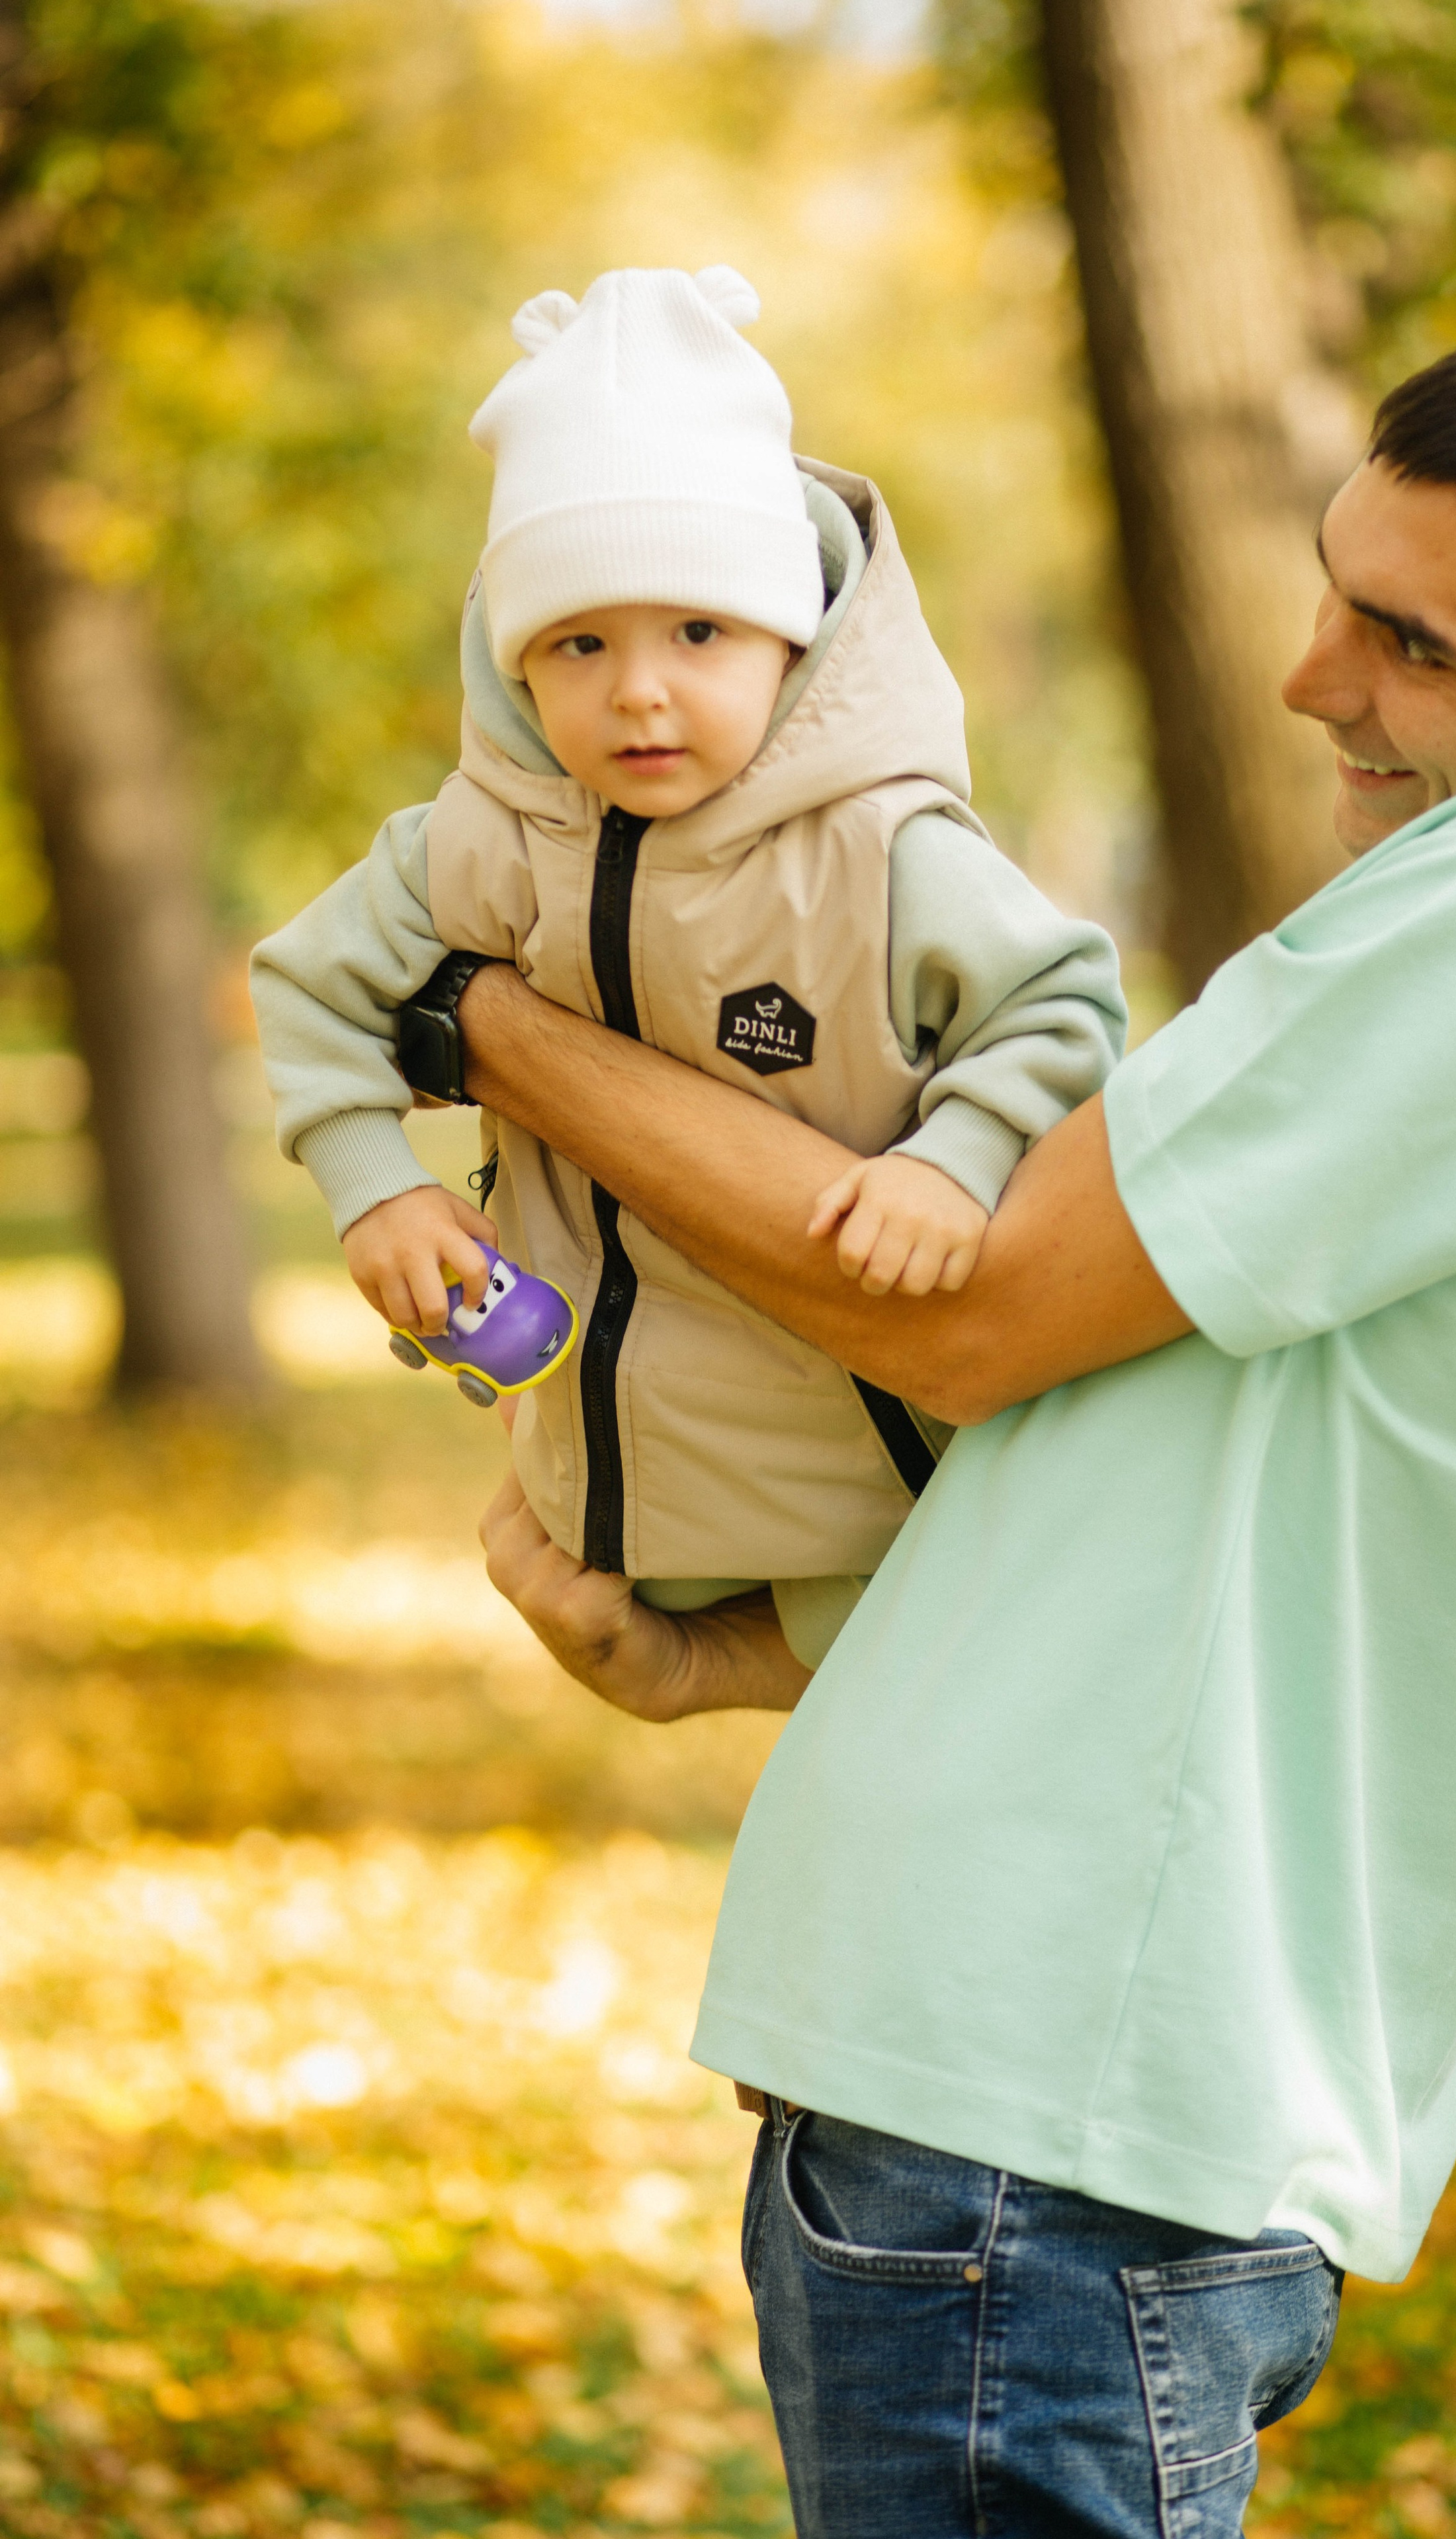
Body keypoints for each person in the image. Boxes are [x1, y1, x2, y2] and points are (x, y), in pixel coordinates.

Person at [453, 300, 1456, 2536]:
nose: (1316, 677)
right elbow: (1265, 1499)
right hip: (1103, 2110)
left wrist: (489, 1029)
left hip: (1045, 2132)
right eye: (1333, 584)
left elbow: (958, 1311)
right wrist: (755, 1657)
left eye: (1410, 645)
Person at [250, 265, 1124, 1670]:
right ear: (513, 665)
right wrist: (373, 1192)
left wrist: (953, 1157)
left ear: (789, 634)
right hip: (610, 1487)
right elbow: (312, 982)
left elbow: (1061, 1004)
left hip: (892, 1486)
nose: (638, 689)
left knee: (917, 1752)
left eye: (698, 633)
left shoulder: (880, 848)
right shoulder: (481, 843)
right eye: (577, 644)